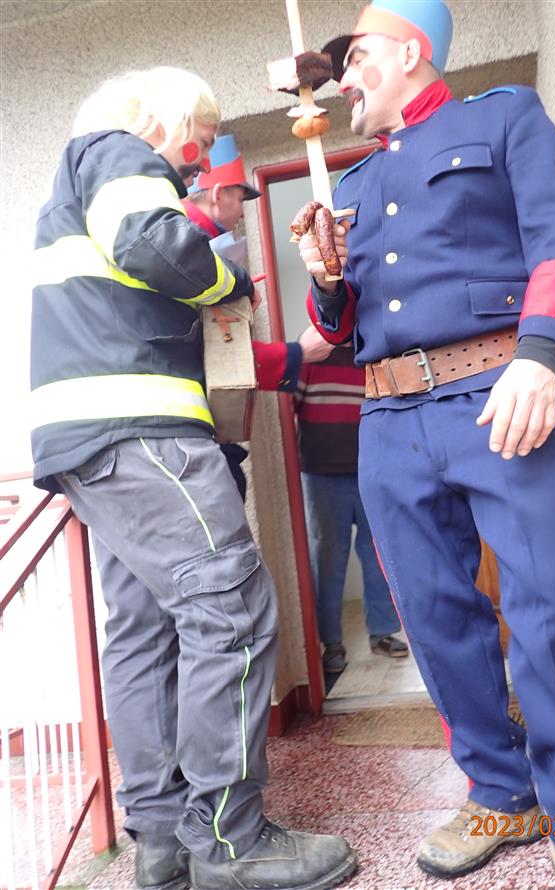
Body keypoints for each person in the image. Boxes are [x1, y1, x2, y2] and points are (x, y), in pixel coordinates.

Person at [298, 2, 555, 888]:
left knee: (549, 608)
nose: (343, 79)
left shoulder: (502, 118)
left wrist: (541, 356)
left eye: (356, 57)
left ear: (411, 52)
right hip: (388, 422)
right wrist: (325, 283)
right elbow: (339, 327)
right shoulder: (352, 186)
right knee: (434, 620)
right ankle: (500, 791)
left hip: (497, 394)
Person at [30, 66, 356, 890]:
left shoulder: (72, 184)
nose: (194, 161)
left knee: (142, 630)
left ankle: (164, 840)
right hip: (143, 433)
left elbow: (139, 277)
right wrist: (230, 282)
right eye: (197, 140)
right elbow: (154, 245)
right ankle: (230, 843)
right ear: (161, 121)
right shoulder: (117, 151)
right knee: (230, 607)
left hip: (91, 444)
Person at [183, 133, 335, 500]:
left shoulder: (193, 242)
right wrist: (298, 353)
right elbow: (208, 354)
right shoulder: (190, 246)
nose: (241, 212)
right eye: (239, 198)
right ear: (217, 194)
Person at [294, 337, 408, 673]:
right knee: (328, 558)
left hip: (372, 471)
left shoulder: (371, 352)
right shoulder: (311, 353)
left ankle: (382, 633)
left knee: (379, 554)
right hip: (322, 473)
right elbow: (288, 410)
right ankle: (330, 642)